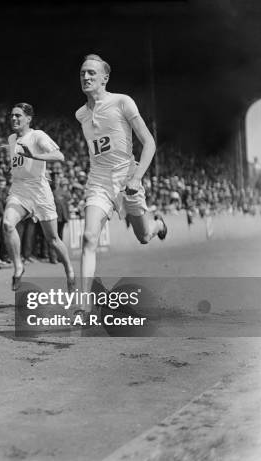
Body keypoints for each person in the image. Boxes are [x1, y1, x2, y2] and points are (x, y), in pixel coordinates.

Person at [74, 54, 167, 316]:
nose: (86, 77)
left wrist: (136, 178)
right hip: (99, 181)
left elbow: (149, 142)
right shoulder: (81, 114)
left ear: (105, 77)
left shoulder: (122, 102)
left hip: (127, 177)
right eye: (82, 73)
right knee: (89, 237)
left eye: (92, 73)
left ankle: (157, 223)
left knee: (144, 236)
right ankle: (83, 304)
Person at [3, 102, 75, 291]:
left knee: (53, 239)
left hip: (40, 192)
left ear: (28, 118)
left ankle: (69, 270)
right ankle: (18, 266)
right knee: (8, 224)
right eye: (12, 115)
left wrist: (34, 156)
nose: (13, 118)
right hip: (19, 190)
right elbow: (18, 164)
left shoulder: (38, 135)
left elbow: (59, 156)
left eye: (18, 115)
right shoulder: (11, 139)